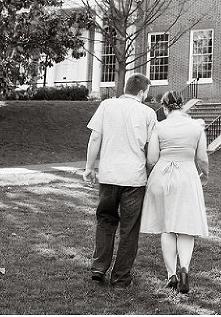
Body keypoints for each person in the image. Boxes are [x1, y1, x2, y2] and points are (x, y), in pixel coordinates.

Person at [83, 73, 158, 287]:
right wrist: (151, 167)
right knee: (129, 228)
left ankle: (98, 268)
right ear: (143, 92)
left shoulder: (107, 106)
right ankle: (121, 276)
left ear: (126, 88)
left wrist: (89, 167)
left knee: (105, 220)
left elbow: (95, 137)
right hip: (134, 179)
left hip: (108, 176)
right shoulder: (148, 113)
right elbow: (152, 152)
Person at [140, 90, 209, 294]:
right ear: (182, 105)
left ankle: (171, 275)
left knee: (167, 227)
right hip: (187, 176)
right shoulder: (196, 127)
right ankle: (185, 270)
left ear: (164, 106)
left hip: (163, 176)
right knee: (186, 226)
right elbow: (202, 158)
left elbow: (152, 159)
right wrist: (204, 174)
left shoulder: (159, 127)